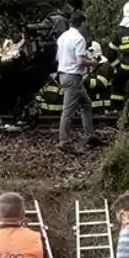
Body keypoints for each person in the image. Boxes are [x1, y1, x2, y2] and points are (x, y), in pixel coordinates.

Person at [55, 11, 101, 153]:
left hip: (63, 74)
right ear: (82, 23)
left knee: (86, 105)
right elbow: (80, 61)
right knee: (68, 111)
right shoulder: (79, 38)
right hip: (73, 76)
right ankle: (64, 141)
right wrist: (92, 63)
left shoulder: (62, 37)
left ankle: (90, 135)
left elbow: (57, 58)